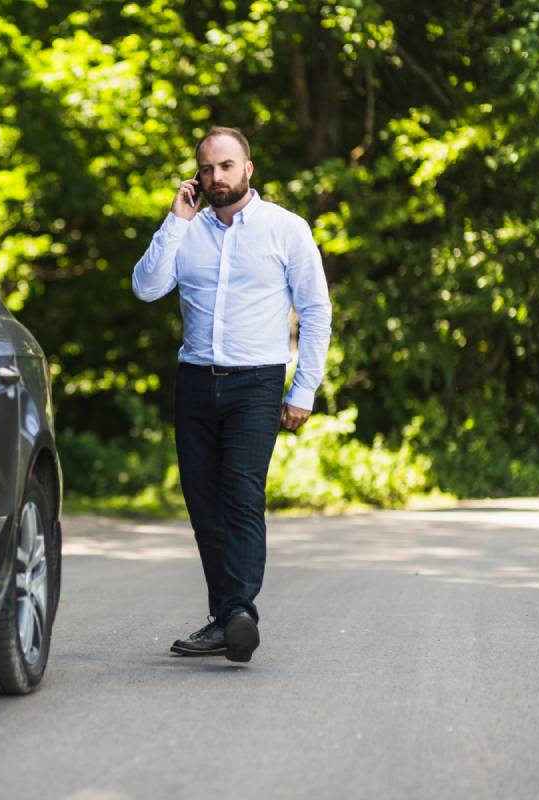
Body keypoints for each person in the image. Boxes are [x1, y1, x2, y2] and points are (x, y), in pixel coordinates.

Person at [131, 127, 332, 663]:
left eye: (225, 166)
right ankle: (227, 619)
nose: (215, 176)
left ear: (248, 168)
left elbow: (315, 311)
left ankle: (239, 610)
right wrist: (174, 221)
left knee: (241, 496)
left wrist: (303, 388)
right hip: (195, 382)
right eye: (206, 168)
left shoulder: (285, 229)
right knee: (204, 506)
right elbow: (146, 287)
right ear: (196, 175)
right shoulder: (186, 230)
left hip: (257, 382)